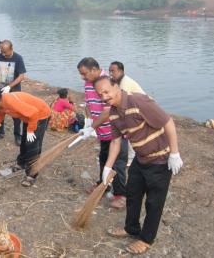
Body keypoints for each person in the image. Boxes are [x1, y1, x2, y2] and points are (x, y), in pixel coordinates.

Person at [94, 76, 183, 255]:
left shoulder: (138, 100)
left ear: (116, 87)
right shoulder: (113, 112)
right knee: (132, 194)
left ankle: (146, 239)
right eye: (100, 94)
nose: (104, 96)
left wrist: (174, 153)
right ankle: (131, 228)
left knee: (153, 203)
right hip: (140, 159)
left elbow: (168, 122)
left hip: (160, 160)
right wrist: (107, 168)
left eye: (106, 91)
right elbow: (115, 142)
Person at [75, 57, 128, 209]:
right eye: (81, 74)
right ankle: (103, 186)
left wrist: (91, 127)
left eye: (84, 74)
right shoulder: (88, 83)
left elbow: (107, 112)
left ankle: (121, 195)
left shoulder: (106, 84)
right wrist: (88, 121)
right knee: (103, 159)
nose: (83, 77)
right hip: (102, 132)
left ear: (94, 70)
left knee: (118, 164)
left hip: (115, 132)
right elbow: (89, 104)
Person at [0, 90, 50, 187]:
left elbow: (34, 113)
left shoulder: (11, 102)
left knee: (32, 145)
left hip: (40, 114)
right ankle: (21, 163)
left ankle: (32, 174)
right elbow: (0, 113)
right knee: (24, 142)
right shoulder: (1, 102)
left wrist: (31, 130)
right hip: (28, 116)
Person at [109, 61, 146, 166]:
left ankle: (131, 158)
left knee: (131, 133)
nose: (111, 74)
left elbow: (122, 103)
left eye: (113, 71)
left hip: (141, 110)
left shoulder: (124, 83)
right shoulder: (119, 82)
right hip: (134, 109)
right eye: (110, 71)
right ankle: (133, 157)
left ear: (120, 71)